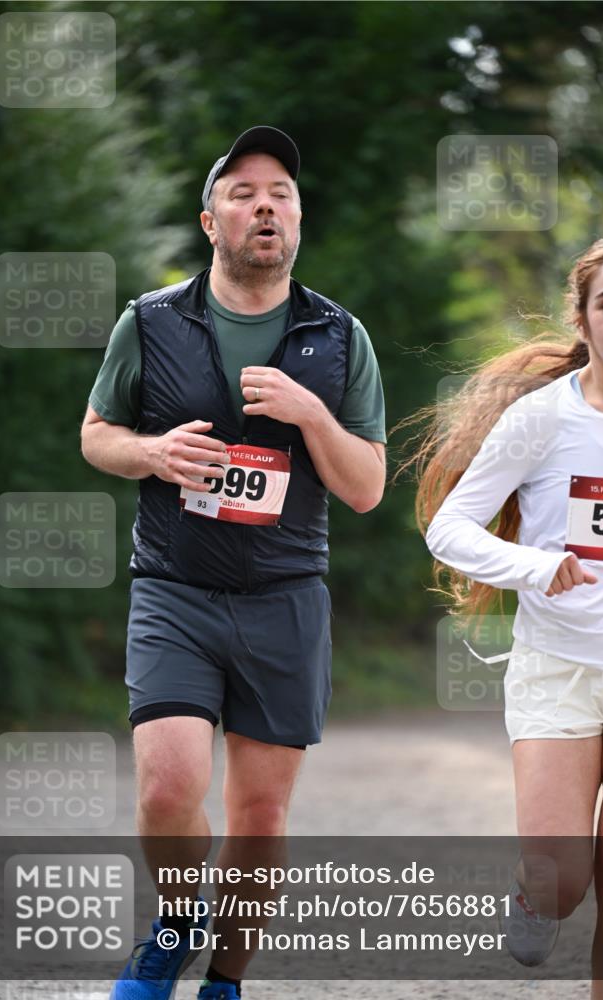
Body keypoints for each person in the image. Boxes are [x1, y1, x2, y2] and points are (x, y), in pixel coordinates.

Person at [80, 125, 386, 1000]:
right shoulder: (148, 321)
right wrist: (151, 454)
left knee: (258, 816)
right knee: (169, 784)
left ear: (297, 221)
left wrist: (310, 415)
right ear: (209, 219)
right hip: (173, 589)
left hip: (284, 597)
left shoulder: (337, 336)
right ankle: (177, 920)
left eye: (281, 194)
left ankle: (223, 981)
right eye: (244, 192)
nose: (265, 205)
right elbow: (96, 434)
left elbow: (365, 487)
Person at [400, 236, 603, 998]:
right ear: (583, 317)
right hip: (556, 669)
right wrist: (535, 567)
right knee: (563, 876)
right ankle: (538, 895)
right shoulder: (540, 419)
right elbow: (450, 528)